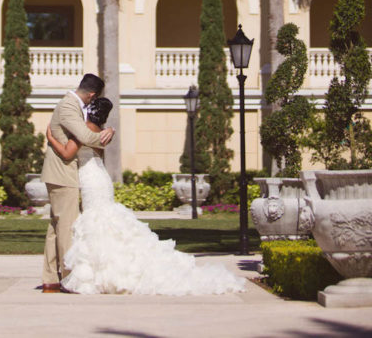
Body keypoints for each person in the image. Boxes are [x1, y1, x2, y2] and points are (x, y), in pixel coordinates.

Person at [46, 97, 245, 296]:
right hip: (101, 178)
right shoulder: (103, 132)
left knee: (95, 221)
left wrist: (50, 137)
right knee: (104, 220)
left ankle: (98, 273)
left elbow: (67, 153)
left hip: (90, 181)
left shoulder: (83, 130)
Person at [40, 74, 115, 293]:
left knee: (56, 227)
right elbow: (86, 136)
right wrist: (107, 133)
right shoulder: (68, 106)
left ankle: (50, 279)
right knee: (66, 228)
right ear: (92, 95)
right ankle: (70, 277)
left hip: (64, 174)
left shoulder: (73, 106)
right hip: (63, 174)